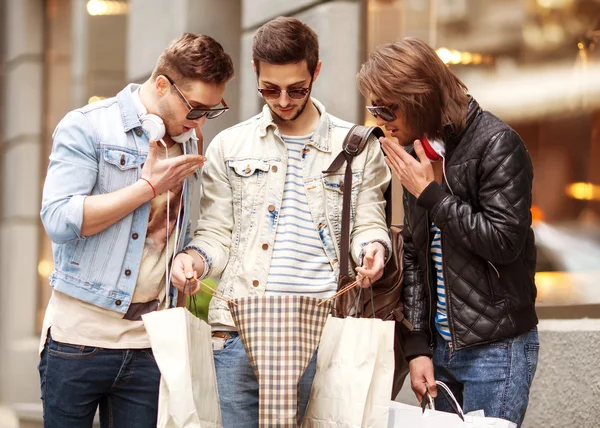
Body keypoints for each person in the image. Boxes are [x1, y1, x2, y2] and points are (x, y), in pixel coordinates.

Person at [170, 17, 391, 426]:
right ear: (255, 71)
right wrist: (195, 259)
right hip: (240, 333)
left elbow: (368, 224)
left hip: (326, 333)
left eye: (297, 89)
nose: (284, 100)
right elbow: (217, 231)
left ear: (316, 71)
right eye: (270, 89)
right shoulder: (230, 146)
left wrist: (372, 250)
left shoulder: (357, 147)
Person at [39, 33, 234, 428]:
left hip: (150, 344)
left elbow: (183, 226)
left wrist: (186, 260)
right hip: (78, 341)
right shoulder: (87, 127)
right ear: (162, 84)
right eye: (195, 108)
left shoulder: (187, 139)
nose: (198, 122)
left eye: (211, 113)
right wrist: (147, 188)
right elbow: (59, 219)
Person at [357, 38, 538, 427]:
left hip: (497, 347)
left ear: (418, 97)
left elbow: (504, 243)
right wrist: (418, 346)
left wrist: (430, 194)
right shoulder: (418, 153)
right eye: (374, 108)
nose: (380, 120)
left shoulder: (496, 143)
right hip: (441, 351)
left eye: (387, 107)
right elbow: (414, 255)